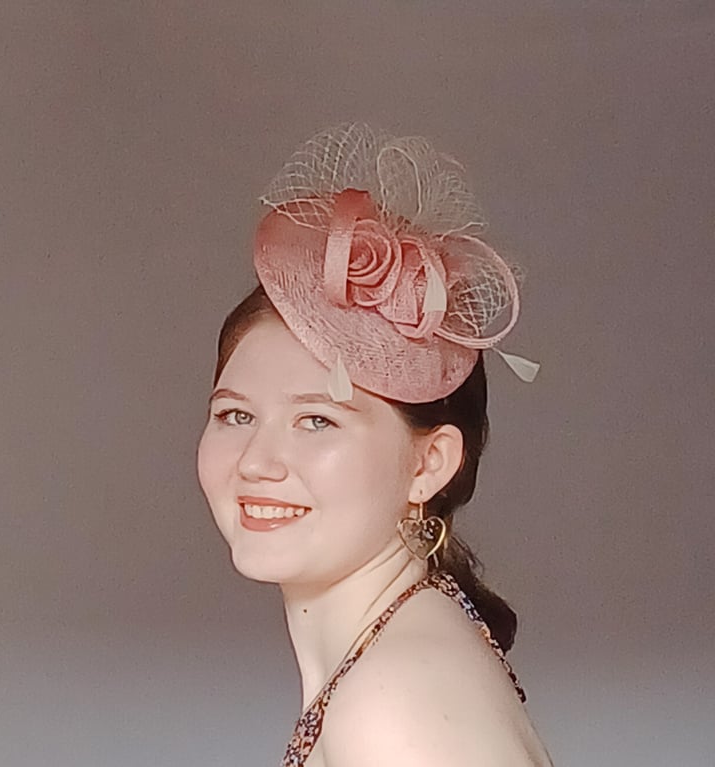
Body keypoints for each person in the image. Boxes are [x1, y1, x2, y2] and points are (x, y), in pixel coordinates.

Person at [197, 124, 552, 766]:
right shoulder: (397, 654)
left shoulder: (392, 702)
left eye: (317, 421)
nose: (256, 463)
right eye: (235, 414)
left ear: (429, 464)